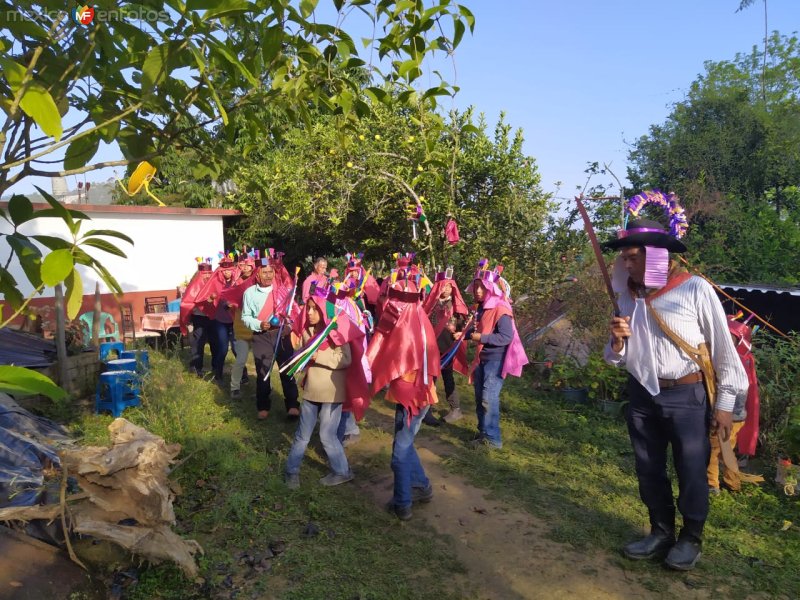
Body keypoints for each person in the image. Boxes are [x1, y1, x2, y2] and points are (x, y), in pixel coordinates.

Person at [603, 199, 748, 571]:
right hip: (641, 395)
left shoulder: (695, 289)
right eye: (624, 258)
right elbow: (616, 356)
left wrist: (725, 406)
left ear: (654, 256)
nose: (626, 264)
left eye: (633, 257)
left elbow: (724, 353)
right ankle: (661, 530)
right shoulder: (626, 296)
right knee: (648, 467)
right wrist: (618, 341)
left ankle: (690, 538)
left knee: (691, 468)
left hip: (686, 396)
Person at [366, 254, 440, 520]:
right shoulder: (407, 319)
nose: (390, 301)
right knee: (405, 445)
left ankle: (402, 504)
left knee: (399, 452)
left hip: (416, 398)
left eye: (394, 296)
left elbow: (395, 351)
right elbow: (382, 346)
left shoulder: (412, 324)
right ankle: (422, 486)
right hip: (410, 394)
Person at [284, 285, 361, 489]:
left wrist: (320, 356)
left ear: (322, 309)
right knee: (302, 435)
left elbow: (345, 359)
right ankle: (291, 472)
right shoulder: (308, 330)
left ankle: (342, 471)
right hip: (312, 390)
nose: (308, 312)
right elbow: (298, 347)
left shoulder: (336, 331)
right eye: (307, 308)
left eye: (313, 308)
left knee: (327, 435)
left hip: (332, 393)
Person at [461, 260, 528, 448]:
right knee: (479, 398)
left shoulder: (501, 308)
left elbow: (505, 337)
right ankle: (483, 433)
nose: (478, 291)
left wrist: (480, 337)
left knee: (488, 399)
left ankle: (493, 439)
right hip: (482, 358)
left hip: (495, 360)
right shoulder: (481, 308)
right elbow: (476, 329)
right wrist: (464, 335)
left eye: (482, 287)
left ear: (491, 288)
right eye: (476, 287)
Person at [707, 315, 761, 494]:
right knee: (727, 450)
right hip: (738, 416)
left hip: (728, 415)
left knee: (715, 450)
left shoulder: (734, 361)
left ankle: (712, 484)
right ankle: (732, 483)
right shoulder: (746, 358)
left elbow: (730, 390)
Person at [241, 257, 300, 420]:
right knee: (263, 371)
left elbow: (293, 313)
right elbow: (245, 317)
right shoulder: (249, 293)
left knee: (287, 369)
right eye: (264, 272)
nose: (268, 275)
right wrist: (259, 324)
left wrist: (289, 327)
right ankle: (263, 405)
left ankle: (293, 404)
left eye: (270, 272)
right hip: (262, 336)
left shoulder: (283, 290)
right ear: (257, 274)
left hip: (282, 335)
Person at [422, 267, 469, 423]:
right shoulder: (431, 304)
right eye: (444, 285)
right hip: (431, 347)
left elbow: (463, 327)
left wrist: (460, 333)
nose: (447, 289)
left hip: (448, 348)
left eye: (450, 286)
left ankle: (455, 409)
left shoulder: (457, 307)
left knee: (448, 378)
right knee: (430, 379)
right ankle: (426, 410)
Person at [179, 259, 215, 376]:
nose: (207, 276)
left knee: (215, 342)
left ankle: (216, 367)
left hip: (214, 318)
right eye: (205, 274)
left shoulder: (215, 284)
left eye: (210, 274)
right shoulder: (193, 286)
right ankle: (196, 367)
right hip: (199, 318)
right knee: (199, 342)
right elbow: (188, 302)